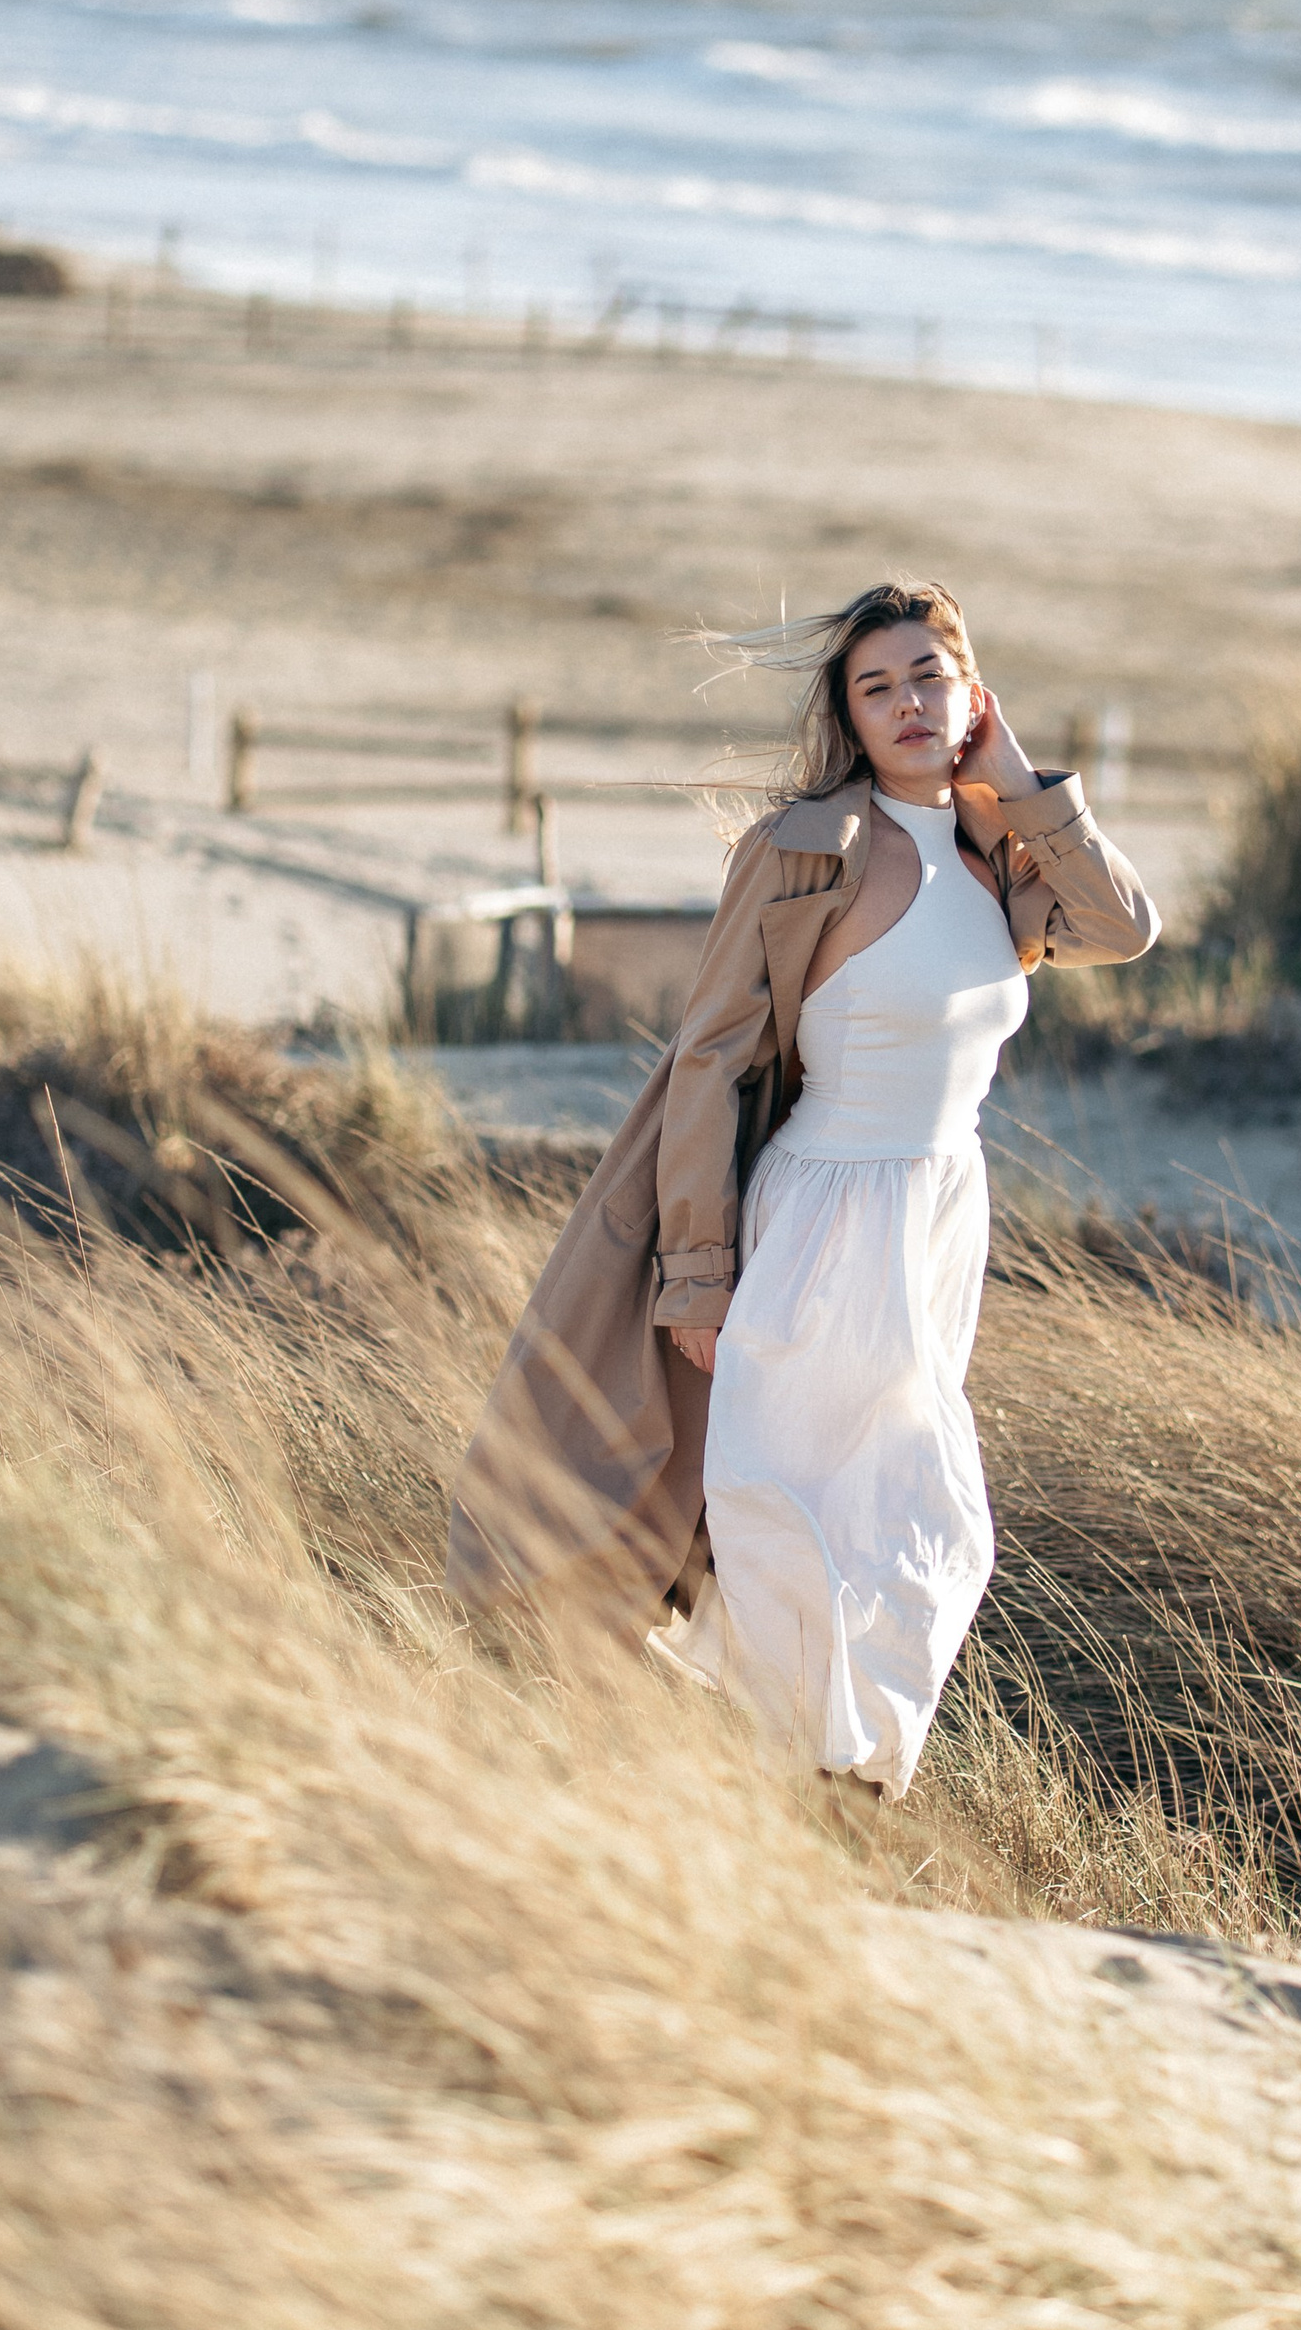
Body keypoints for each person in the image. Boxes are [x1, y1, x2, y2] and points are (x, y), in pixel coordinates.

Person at [448, 580, 1158, 1796]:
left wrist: (1019, 778)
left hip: (937, 1218)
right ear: (851, 715)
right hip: (823, 1212)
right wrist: (696, 1271)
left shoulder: (999, 854)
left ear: (969, 690)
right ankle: (812, 1774)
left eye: (928, 676)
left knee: (895, 1511)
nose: (905, 704)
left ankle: (817, 1768)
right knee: (795, 1501)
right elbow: (710, 1064)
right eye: (875, 687)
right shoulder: (803, 849)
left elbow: (1123, 925)